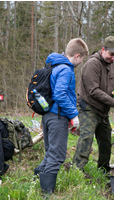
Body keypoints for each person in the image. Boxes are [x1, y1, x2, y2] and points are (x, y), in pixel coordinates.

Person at [34, 38, 89, 195]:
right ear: (77, 56)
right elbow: (60, 94)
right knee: (57, 156)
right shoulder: (65, 69)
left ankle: (36, 179)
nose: (81, 62)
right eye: (82, 58)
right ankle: (46, 194)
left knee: (51, 153)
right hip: (57, 117)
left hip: (48, 115)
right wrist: (73, 114)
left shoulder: (55, 65)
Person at [72, 36, 114, 175]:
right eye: (111, 54)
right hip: (88, 107)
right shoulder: (92, 64)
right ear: (103, 50)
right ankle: (76, 170)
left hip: (103, 110)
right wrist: (113, 102)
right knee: (86, 138)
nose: (113, 58)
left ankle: (103, 170)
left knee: (106, 140)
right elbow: (93, 91)